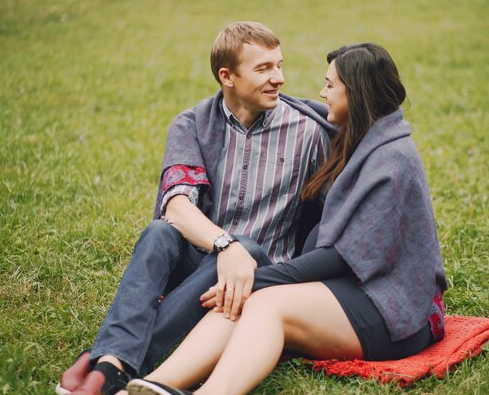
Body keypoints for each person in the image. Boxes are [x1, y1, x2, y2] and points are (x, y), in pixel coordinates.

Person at [124, 43, 448, 395]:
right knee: (248, 298)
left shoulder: (392, 159)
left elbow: (343, 256)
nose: (322, 94)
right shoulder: (366, 140)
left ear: (356, 94)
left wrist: (258, 278)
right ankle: (156, 385)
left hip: (392, 310)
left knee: (264, 300)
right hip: (355, 288)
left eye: (330, 85)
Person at [56, 21, 334, 395]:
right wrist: (225, 246)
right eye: (264, 68)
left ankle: (109, 362)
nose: (279, 78)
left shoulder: (308, 131)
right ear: (227, 76)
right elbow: (176, 207)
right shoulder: (193, 125)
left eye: (279, 65)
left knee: (249, 248)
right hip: (204, 263)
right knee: (159, 233)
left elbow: (336, 207)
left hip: (265, 273)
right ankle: (114, 364)